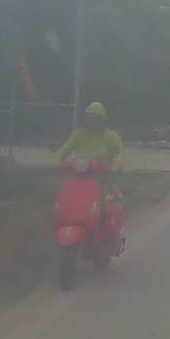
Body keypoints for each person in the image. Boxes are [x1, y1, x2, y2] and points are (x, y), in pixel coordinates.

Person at [54, 101, 126, 241]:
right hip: (78, 180)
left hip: (103, 180)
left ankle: (107, 236)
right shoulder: (79, 134)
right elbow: (63, 151)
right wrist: (56, 162)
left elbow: (120, 154)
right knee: (68, 203)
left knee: (106, 208)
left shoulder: (111, 137)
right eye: (89, 118)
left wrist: (116, 166)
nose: (92, 122)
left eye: (95, 118)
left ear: (102, 120)